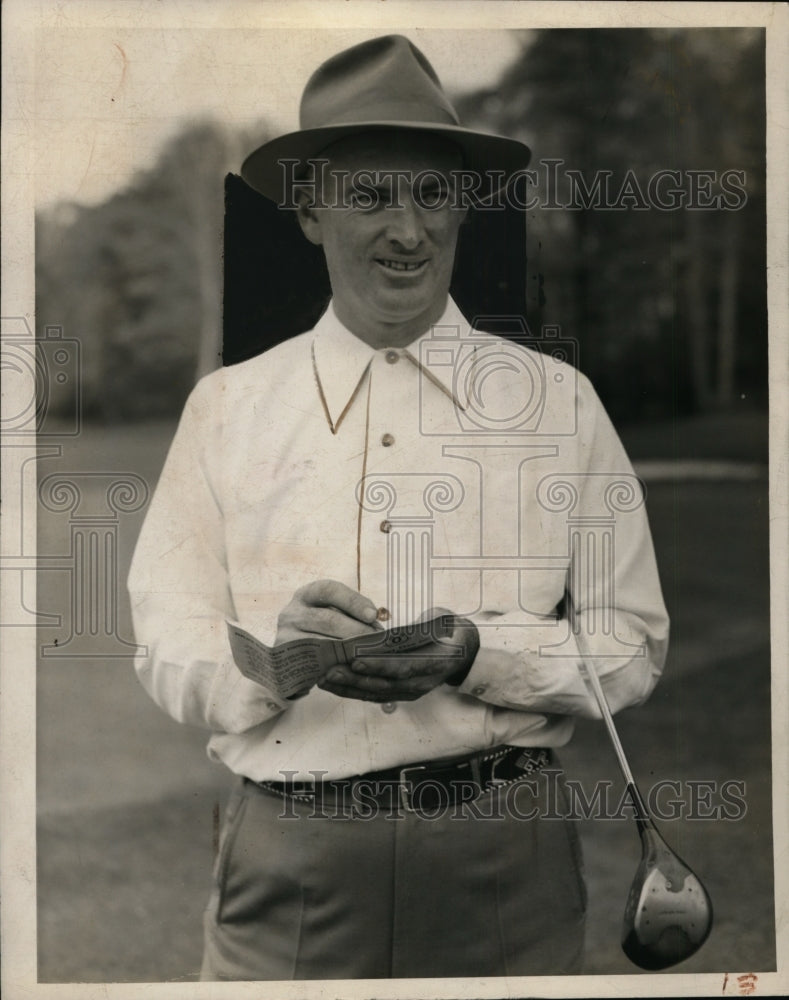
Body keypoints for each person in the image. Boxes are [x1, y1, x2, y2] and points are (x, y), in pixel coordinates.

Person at [128, 34, 669, 981]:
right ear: (308, 212)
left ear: (463, 204)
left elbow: (631, 640)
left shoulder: (558, 405)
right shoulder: (227, 408)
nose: (407, 231)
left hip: (502, 861)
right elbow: (163, 637)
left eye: (430, 193)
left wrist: (479, 653)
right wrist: (271, 657)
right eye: (370, 196)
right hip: (286, 864)